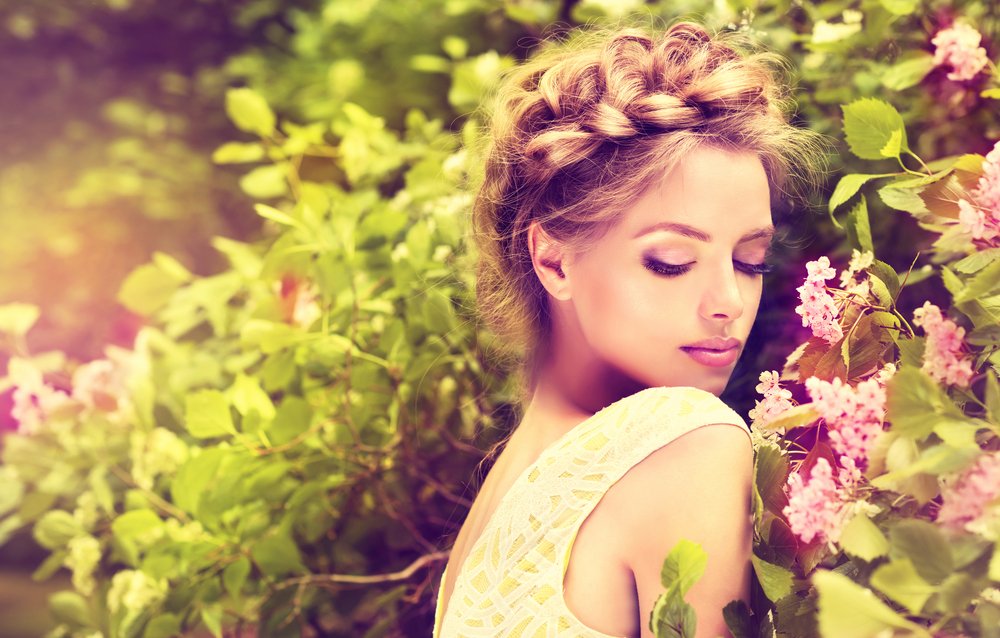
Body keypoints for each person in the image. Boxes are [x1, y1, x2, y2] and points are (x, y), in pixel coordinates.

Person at [433, 18, 829, 638]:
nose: (728, 301)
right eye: (670, 262)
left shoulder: (492, 513)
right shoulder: (684, 438)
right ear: (553, 259)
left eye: (750, 260)